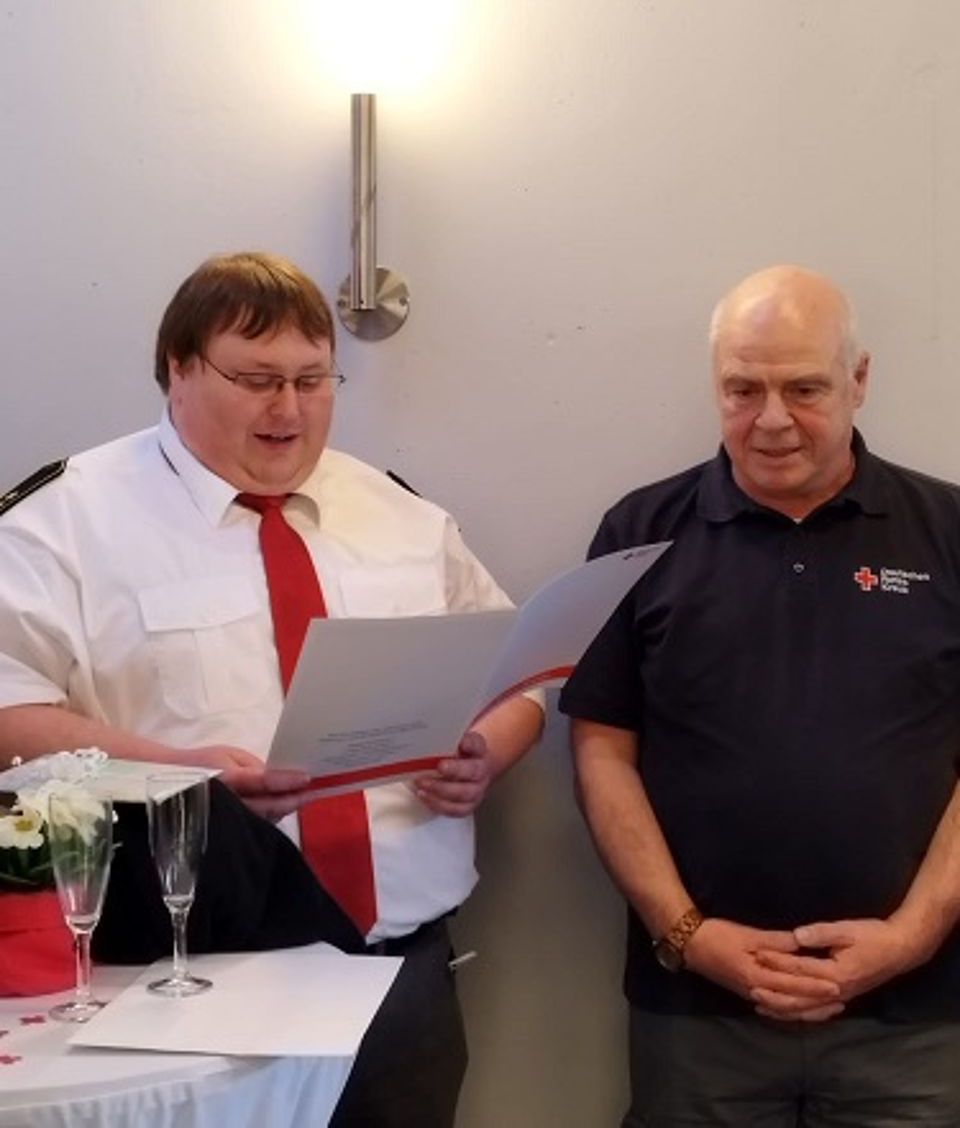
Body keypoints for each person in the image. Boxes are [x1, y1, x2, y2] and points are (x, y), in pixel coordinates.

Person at [0, 251, 543, 1128]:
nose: (289, 409)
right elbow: (8, 717)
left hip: (399, 974)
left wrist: (491, 751)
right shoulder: (63, 524)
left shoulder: (401, 515)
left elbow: (517, 674)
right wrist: (178, 772)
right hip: (174, 981)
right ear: (179, 370)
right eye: (256, 380)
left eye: (312, 380)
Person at [560, 265, 960, 1127]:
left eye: (804, 389)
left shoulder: (950, 531)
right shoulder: (637, 534)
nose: (771, 419)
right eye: (743, 389)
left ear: (858, 380)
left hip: (919, 1018)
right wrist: (688, 934)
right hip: (696, 1016)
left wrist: (913, 935)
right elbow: (601, 750)